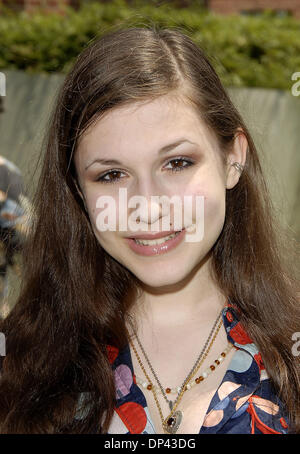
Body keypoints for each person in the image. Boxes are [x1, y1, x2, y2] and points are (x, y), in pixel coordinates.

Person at [0, 26, 299, 434]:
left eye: (177, 163)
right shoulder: (20, 362)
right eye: (111, 174)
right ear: (77, 190)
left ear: (233, 157)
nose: (147, 206)